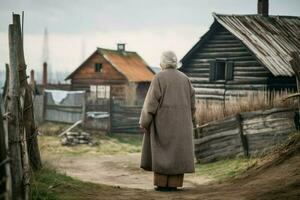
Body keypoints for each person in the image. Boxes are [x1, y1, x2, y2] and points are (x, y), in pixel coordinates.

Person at [139, 51, 196, 191]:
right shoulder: (185, 79)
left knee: (162, 153)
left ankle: (162, 184)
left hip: (163, 124)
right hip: (182, 125)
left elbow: (150, 104)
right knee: (177, 153)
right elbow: (193, 106)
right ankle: (174, 185)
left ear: (162, 63)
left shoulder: (158, 77)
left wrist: (144, 122)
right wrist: (191, 121)